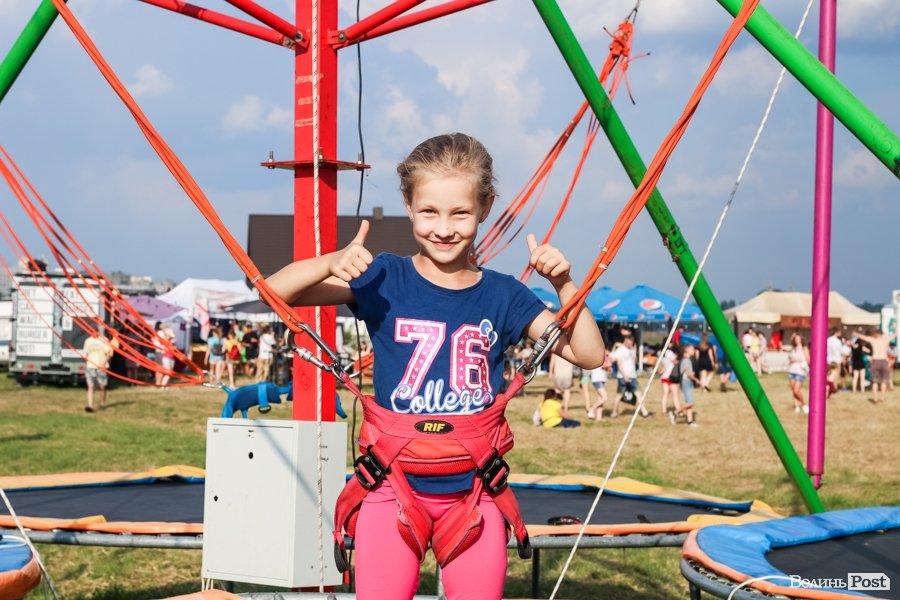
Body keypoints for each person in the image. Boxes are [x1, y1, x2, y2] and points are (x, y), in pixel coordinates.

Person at [265, 133, 605, 600]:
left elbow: (589, 354)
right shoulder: (384, 278)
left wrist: (565, 283)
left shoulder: (504, 295)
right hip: (391, 486)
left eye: (460, 213)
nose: (443, 228)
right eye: (429, 212)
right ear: (408, 206)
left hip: (475, 492)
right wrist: (332, 262)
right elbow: (274, 292)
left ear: (485, 208)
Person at [609, 336, 651, 418]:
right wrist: (624, 375)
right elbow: (618, 364)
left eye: (632, 342)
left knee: (638, 394)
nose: (631, 343)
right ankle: (614, 413)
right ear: (626, 341)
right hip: (623, 376)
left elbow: (634, 361)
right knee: (619, 395)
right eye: (630, 342)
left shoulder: (631, 350)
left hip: (632, 376)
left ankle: (644, 412)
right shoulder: (620, 350)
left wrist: (634, 351)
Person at [855, 329, 895, 404]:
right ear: (882, 334)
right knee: (884, 381)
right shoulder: (885, 340)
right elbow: (894, 335)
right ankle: (882, 397)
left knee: (874, 381)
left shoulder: (873, 340)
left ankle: (875, 398)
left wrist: (856, 334)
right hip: (883, 360)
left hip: (875, 361)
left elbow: (863, 337)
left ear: (876, 334)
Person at [83, 326, 114, 412]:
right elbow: (85, 353)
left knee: (102, 386)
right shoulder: (88, 341)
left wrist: (104, 364)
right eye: (91, 331)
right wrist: (86, 360)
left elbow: (109, 353)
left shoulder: (104, 340)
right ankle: (90, 405)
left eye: (94, 331)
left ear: (97, 331)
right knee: (90, 386)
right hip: (90, 367)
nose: (93, 333)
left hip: (101, 367)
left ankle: (102, 402)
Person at [659, 344, 682, 424]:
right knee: (674, 394)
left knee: (666, 393)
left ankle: (664, 410)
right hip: (671, 375)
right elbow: (675, 361)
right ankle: (678, 409)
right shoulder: (669, 352)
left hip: (664, 375)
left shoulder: (663, 353)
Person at [786, 333, 810, 414]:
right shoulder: (793, 348)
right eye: (795, 339)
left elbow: (807, 359)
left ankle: (804, 404)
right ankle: (797, 406)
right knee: (793, 390)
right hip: (792, 370)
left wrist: (796, 360)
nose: (797, 340)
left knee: (797, 390)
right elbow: (790, 358)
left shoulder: (804, 348)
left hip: (800, 371)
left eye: (798, 339)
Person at [679, 344, 700, 428]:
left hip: (689, 382)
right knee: (690, 403)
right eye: (692, 349)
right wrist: (696, 380)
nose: (694, 350)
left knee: (689, 402)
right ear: (686, 350)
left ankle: (690, 421)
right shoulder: (686, 361)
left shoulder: (688, 360)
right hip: (686, 382)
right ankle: (676, 412)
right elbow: (688, 374)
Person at [157, 323, 177, 389]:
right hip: (167, 358)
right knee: (168, 373)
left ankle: (165, 385)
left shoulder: (171, 342)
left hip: (171, 357)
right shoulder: (165, 341)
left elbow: (173, 338)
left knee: (170, 373)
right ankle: (163, 386)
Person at [825, 328, 844, 397]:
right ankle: (833, 388)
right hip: (837, 360)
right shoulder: (838, 341)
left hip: (828, 360)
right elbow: (841, 351)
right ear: (836, 332)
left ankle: (827, 389)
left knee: (828, 375)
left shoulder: (828, 340)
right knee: (835, 376)